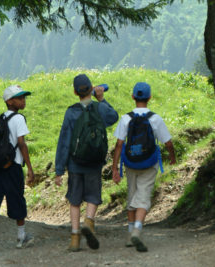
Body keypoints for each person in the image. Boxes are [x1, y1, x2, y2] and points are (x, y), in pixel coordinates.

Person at [55, 74, 118, 252]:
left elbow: (64, 141)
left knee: (74, 200)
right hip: (94, 163)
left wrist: (59, 169)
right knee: (93, 196)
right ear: (92, 88)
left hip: (75, 164)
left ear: (75, 92)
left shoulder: (71, 112)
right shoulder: (100, 109)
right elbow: (114, 117)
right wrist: (102, 99)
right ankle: (89, 220)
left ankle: (75, 239)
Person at [112, 82, 176, 252]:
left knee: (132, 194)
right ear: (149, 97)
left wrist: (114, 168)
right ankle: (137, 230)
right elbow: (168, 143)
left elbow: (119, 145)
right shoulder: (155, 118)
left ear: (133, 97)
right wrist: (172, 157)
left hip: (131, 163)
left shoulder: (126, 118)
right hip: (149, 163)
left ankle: (128, 235)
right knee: (143, 197)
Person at [0, 85, 35, 252]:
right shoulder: (18, 119)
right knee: (16, 199)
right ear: (10, 101)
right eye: (20, 98)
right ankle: (21, 236)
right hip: (12, 167)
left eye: (24, 97)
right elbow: (22, 144)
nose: (23, 100)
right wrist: (30, 168)